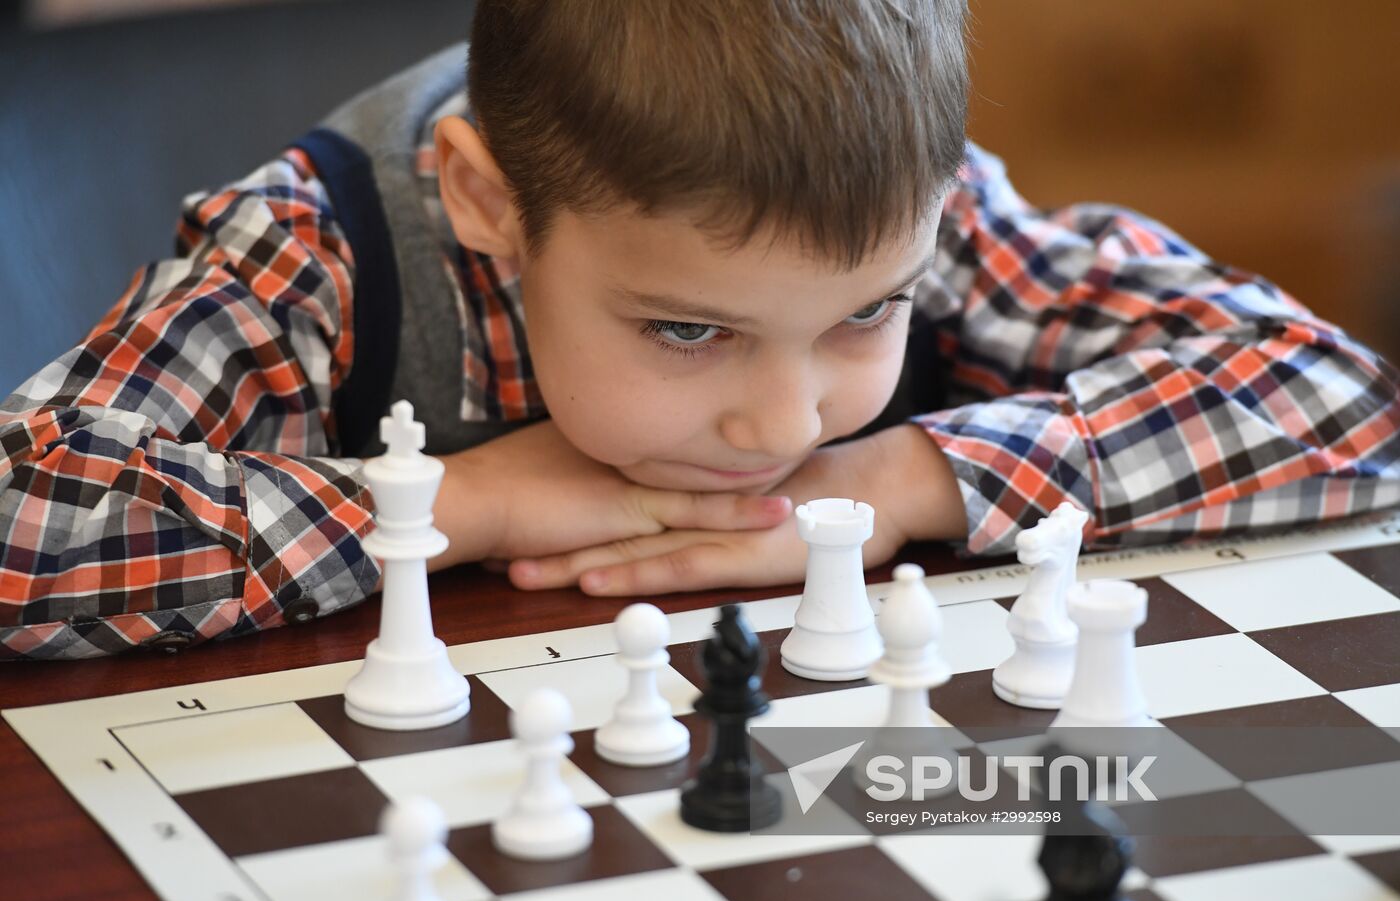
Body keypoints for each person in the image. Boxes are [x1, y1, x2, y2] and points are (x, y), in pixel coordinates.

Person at [2, 0, 1397, 660]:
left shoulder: (928, 210)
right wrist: (462, 504)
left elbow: (1339, 398)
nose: (785, 424)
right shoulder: (311, 251)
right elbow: (20, 517)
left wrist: (897, 481)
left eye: (867, 314)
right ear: (488, 202)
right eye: (687, 330)